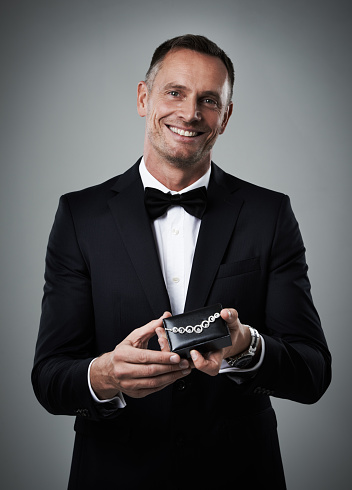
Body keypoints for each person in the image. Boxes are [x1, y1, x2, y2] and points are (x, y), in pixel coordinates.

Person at [32, 34, 331, 489]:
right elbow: (50, 377)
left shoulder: (270, 214)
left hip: (240, 475)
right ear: (143, 98)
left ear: (225, 117)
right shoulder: (80, 215)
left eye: (208, 100)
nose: (190, 113)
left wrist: (245, 348)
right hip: (115, 474)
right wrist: (106, 374)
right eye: (175, 92)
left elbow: (313, 373)